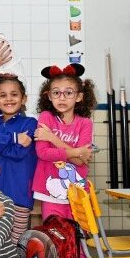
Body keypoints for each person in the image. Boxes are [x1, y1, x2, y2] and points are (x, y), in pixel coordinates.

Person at [32, 63, 97, 221]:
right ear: (49, 96)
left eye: (68, 93)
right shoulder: (46, 117)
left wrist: (52, 138)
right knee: (54, 232)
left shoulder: (85, 123)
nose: (62, 98)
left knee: (78, 233)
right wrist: (76, 152)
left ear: (79, 96)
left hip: (78, 191)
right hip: (51, 193)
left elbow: (80, 161)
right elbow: (43, 153)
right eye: (56, 93)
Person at [0, 75, 38, 243]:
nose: (9, 99)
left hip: (19, 195)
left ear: (23, 98)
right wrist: (14, 138)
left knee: (16, 243)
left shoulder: (30, 123)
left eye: (14, 94)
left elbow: (18, 152)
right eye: (3, 95)